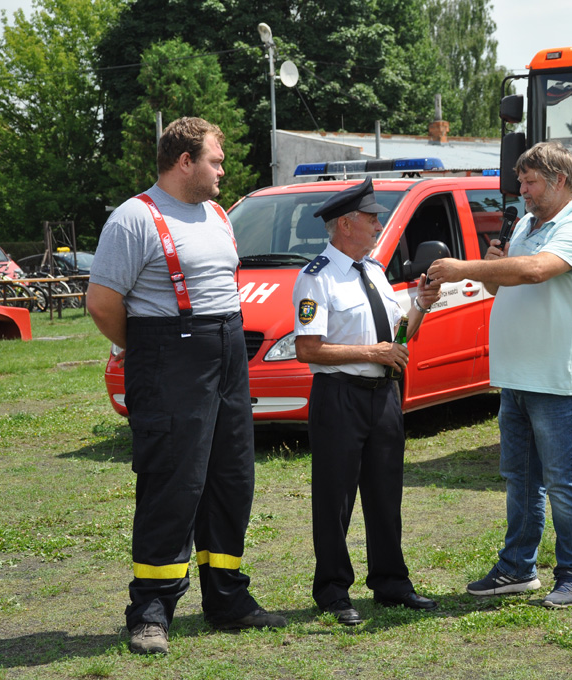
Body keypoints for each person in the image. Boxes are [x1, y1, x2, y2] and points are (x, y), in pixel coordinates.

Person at [87, 116, 286, 655]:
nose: (222, 170)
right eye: (215, 161)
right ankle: (150, 611)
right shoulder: (134, 218)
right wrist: (149, 350)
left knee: (231, 477)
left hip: (227, 353)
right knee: (172, 483)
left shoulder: (217, 214)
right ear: (184, 162)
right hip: (168, 358)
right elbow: (101, 304)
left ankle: (226, 598)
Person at [426, 142, 572, 608]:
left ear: (559, 181)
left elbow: (534, 271)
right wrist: (490, 267)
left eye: (530, 182)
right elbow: (500, 284)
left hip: (559, 379)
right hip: (518, 376)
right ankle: (517, 569)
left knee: (565, 483)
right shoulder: (528, 224)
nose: (522, 191)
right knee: (521, 479)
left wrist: (465, 267)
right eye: (521, 181)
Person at [292, 178, 442, 626]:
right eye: (372, 218)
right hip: (340, 396)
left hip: (384, 397)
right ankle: (333, 591)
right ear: (345, 224)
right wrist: (372, 353)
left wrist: (421, 305)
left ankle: (391, 582)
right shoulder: (316, 277)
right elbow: (308, 349)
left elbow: (398, 336)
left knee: (385, 493)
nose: (379, 226)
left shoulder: (374, 271)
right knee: (335, 499)